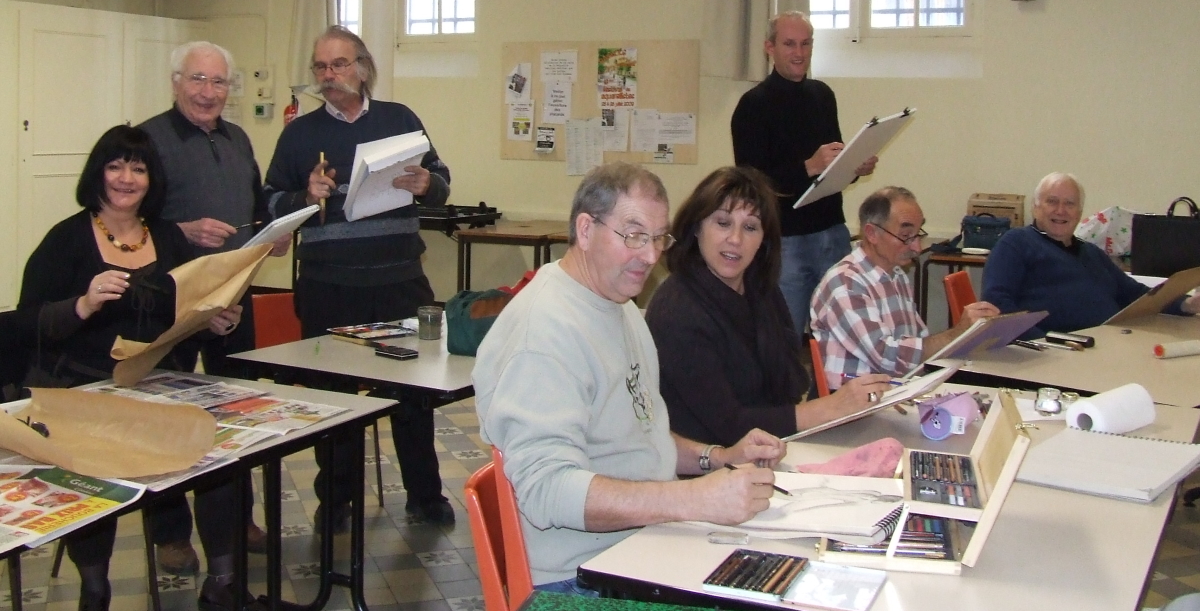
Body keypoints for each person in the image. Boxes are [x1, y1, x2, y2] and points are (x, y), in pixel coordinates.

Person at [473, 162, 787, 594]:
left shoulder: (619, 305)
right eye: (635, 235)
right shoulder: (543, 333)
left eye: (658, 238)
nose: (652, 255)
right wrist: (695, 500)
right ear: (585, 230)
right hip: (577, 583)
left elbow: (639, 433)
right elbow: (547, 491)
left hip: (639, 549)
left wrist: (718, 457)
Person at [17, 125, 249, 611]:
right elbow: (28, 326)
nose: (127, 178)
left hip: (162, 385)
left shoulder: (166, 236)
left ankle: (225, 581)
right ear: (98, 174)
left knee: (225, 454)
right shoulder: (66, 239)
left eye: (138, 168)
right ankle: (95, 587)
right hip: (84, 389)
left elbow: (189, 315)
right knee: (97, 461)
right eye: (116, 166)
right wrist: (82, 304)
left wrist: (218, 321)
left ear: (151, 178)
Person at [263, 26, 454, 527]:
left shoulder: (400, 119)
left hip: (399, 282)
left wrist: (426, 182)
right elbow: (269, 202)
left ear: (363, 68)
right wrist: (304, 197)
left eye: (340, 65)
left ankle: (425, 494)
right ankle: (338, 499)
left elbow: (442, 182)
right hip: (330, 286)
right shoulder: (299, 134)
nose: (330, 76)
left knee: (414, 392)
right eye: (321, 68)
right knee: (334, 396)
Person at [138, 40, 280, 574]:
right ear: (176, 82)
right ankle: (170, 534)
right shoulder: (148, 140)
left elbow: (257, 205)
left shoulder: (238, 138)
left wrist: (273, 233)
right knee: (167, 419)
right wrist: (183, 230)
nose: (208, 92)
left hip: (232, 298)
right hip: (170, 300)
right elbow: (128, 221)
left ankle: (235, 520)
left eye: (218, 82)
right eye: (197, 80)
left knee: (233, 415)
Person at [645, 166, 892, 446]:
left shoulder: (760, 289)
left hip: (771, 448)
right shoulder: (677, 311)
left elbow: (790, 383)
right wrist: (830, 408)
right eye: (723, 223)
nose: (736, 239)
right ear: (696, 228)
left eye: (750, 227)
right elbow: (728, 426)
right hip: (706, 467)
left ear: (764, 240)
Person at [731, 10, 879, 335]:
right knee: (785, 338)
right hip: (786, 241)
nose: (799, 53)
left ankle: (832, 389)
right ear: (769, 47)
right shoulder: (752, 106)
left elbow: (833, 168)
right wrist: (809, 166)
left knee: (846, 335)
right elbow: (752, 186)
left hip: (832, 232)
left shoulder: (822, 95)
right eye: (789, 44)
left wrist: (854, 166)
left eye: (806, 43)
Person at [811, 187, 1000, 389]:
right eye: (906, 236)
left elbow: (918, 342)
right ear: (872, 233)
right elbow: (886, 357)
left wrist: (969, 337)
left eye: (918, 234)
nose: (917, 248)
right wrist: (957, 334)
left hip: (893, 390)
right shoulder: (845, 283)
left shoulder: (896, 275)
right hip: (854, 402)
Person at [982, 172, 1199, 337]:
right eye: (1052, 201)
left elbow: (1135, 295)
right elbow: (997, 305)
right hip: (1055, 355)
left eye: (1069, 204)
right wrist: (1045, 343)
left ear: (1079, 212)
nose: (1061, 210)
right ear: (1036, 207)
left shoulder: (1091, 252)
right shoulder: (1016, 243)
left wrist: (1185, 304)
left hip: (1108, 345)